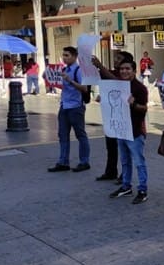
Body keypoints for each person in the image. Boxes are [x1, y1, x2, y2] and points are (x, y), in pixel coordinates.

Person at [93, 58, 149, 204]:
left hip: (135, 131)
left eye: (127, 69)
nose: (124, 71)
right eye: (122, 69)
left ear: (134, 71)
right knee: (124, 161)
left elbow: (144, 108)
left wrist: (134, 104)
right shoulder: (117, 85)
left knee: (139, 162)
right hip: (121, 129)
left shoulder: (140, 88)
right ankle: (126, 186)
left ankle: (142, 190)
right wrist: (103, 98)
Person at [48, 46, 90, 173]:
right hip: (64, 105)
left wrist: (69, 80)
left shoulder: (78, 70)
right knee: (63, 135)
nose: (64, 58)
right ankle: (63, 161)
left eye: (67, 55)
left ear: (74, 56)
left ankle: (84, 161)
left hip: (76, 106)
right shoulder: (65, 69)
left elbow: (84, 88)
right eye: (63, 55)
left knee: (80, 134)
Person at [94, 51, 134, 182]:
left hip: (125, 119)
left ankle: (125, 174)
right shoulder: (110, 72)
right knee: (111, 146)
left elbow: (117, 83)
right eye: (115, 58)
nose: (116, 60)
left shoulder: (127, 77)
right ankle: (110, 170)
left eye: (119, 59)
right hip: (112, 118)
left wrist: (100, 65)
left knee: (124, 149)